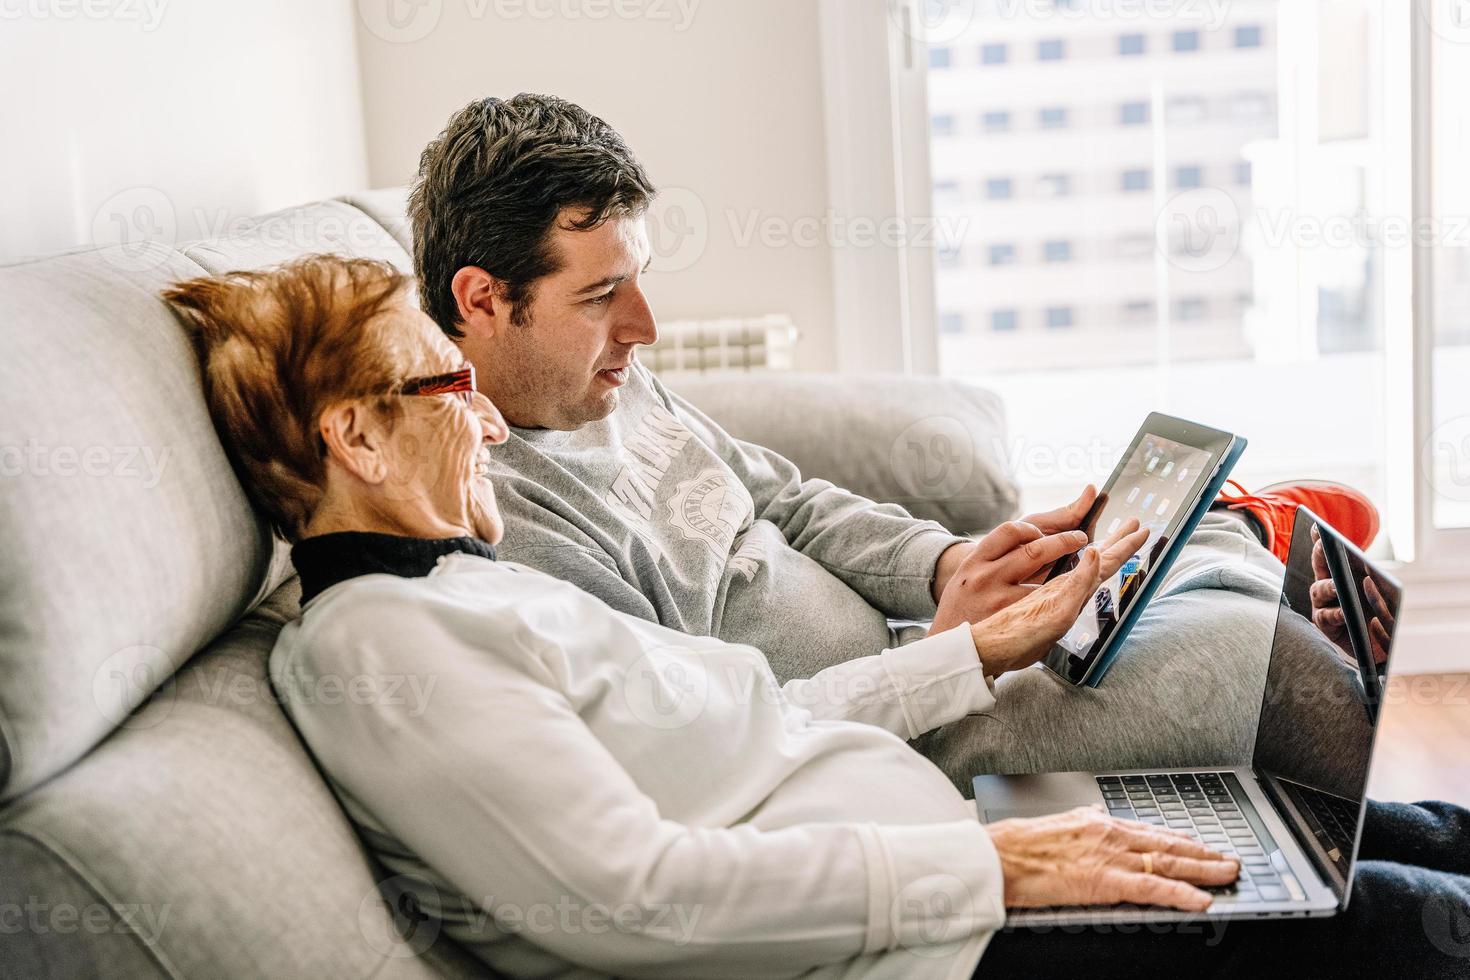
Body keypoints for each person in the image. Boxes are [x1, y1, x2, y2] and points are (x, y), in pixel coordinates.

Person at [163, 253, 1470, 979]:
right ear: (355, 435)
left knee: (1394, 830)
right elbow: (633, 900)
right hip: (912, 938)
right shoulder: (379, 652)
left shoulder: (451, 589)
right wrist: (991, 868)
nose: (492, 418)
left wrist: (969, 651)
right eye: (453, 385)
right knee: (1398, 925)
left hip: (925, 856)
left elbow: (754, 723)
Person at [403, 93, 1382, 785]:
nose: (646, 326)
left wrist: (955, 561)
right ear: (483, 299)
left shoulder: (606, 384)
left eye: (639, 276)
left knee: (1147, 558)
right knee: (1272, 666)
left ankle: (1242, 544)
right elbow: (713, 736)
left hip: (931, 644)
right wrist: (960, 649)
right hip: (894, 730)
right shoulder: (507, 524)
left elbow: (784, 499)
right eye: (600, 293)